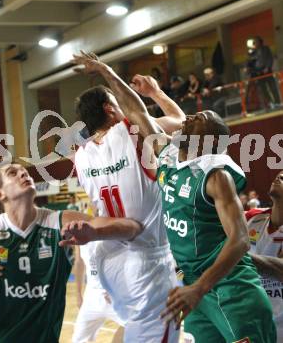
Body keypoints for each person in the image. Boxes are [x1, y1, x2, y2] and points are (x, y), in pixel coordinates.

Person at [70, 52, 276, 343]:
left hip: (224, 286)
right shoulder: (165, 158)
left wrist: (112, 75)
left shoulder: (214, 174)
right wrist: (111, 74)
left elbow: (240, 240)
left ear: (209, 141)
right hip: (189, 284)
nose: (190, 116)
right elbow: (146, 113)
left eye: (201, 117)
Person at [65, 69, 185, 342]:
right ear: (110, 109)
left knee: (133, 330)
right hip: (146, 257)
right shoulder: (132, 131)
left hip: (109, 261)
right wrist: (154, 92)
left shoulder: (80, 155)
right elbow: (180, 121)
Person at [0, 163, 142, 342]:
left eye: (24, 171)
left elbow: (133, 227)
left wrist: (96, 233)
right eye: (13, 173)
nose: (22, 173)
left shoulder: (60, 221)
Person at [246, 170, 283, 342]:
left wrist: (236, 255)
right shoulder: (252, 218)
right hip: (248, 322)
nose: (280, 175)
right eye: (280, 174)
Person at [72, 243, 124, 343]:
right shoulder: (79, 231)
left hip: (114, 296)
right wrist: (78, 293)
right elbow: (79, 262)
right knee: (78, 339)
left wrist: (119, 288)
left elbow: (126, 259)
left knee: (134, 329)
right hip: (91, 296)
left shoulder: (111, 230)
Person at [246, 36, 281, 109]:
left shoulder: (266, 49)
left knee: (273, 87)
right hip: (258, 73)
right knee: (263, 90)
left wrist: (268, 67)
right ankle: (270, 103)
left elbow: (270, 58)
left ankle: (278, 102)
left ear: (260, 42)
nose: (255, 43)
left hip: (267, 71)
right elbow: (250, 63)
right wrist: (251, 70)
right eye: (254, 42)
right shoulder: (252, 52)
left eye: (257, 41)